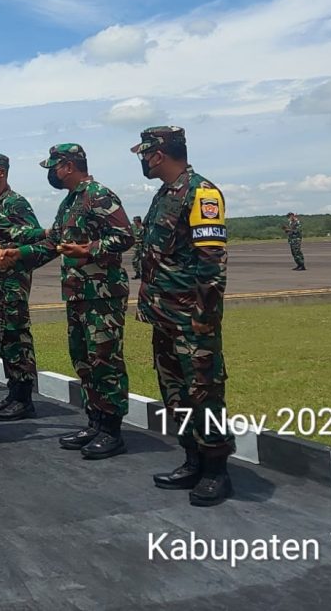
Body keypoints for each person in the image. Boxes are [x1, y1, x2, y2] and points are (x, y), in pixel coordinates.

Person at [0, 144, 134, 459]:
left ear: (68, 166)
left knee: (105, 361)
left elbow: (125, 235)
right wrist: (18, 255)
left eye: (53, 168)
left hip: (102, 295)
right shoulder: (70, 202)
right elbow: (54, 243)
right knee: (83, 360)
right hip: (77, 294)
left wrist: (89, 250)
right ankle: (95, 422)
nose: (52, 174)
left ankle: (112, 430)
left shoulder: (98, 195)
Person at [131, 125, 233, 506]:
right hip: (166, 317)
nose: (142, 160)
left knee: (204, 392)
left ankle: (216, 469)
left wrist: (204, 318)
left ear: (157, 154)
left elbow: (211, 263)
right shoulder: (164, 195)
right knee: (175, 393)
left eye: (144, 154)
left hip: (193, 320)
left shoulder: (201, 193)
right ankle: (192, 459)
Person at [0, 152, 45, 421]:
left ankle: (24, 396)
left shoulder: (16, 203)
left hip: (12, 282)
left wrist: (9, 253)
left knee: (17, 336)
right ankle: (13, 389)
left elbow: (35, 241)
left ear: (2, 172)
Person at [131, 216, 145, 280]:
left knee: (143, 262)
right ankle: (138, 274)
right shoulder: (135, 228)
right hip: (136, 249)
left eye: (134, 221)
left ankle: (144, 275)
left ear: (137, 221)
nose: (134, 222)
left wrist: (136, 241)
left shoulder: (143, 229)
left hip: (142, 248)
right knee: (134, 261)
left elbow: (144, 239)